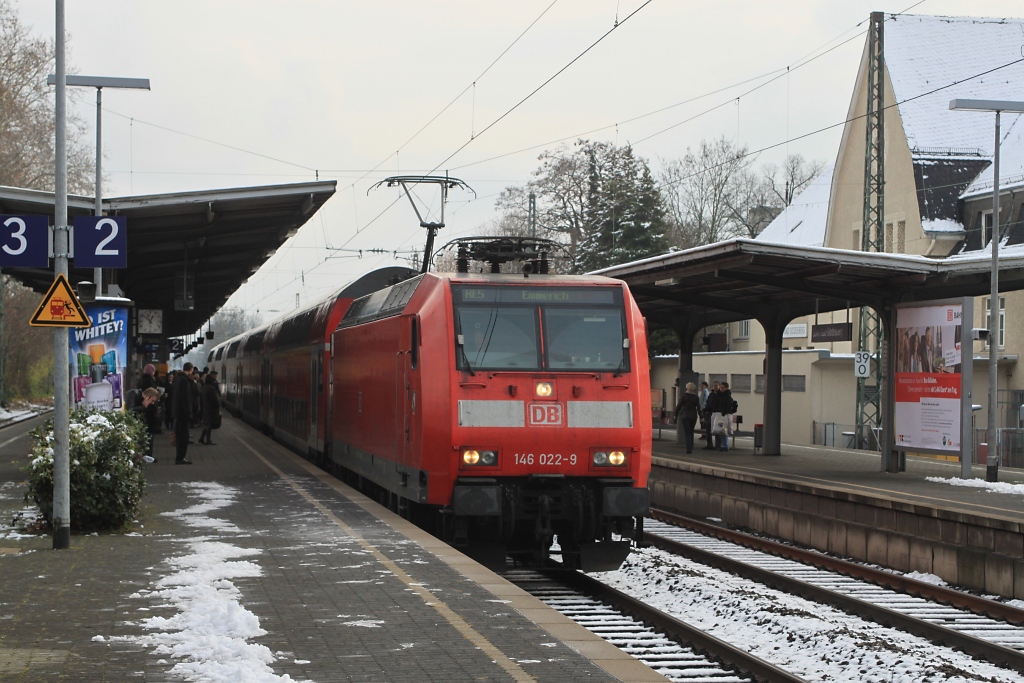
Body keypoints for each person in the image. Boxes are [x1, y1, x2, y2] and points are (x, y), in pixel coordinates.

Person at [172, 362, 195, 465]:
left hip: (178, 412)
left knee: (180, 435)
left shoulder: (178, 379)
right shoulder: (184, 381)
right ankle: (180, 458)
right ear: (191, 369)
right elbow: (185, 399)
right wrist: (189, 413)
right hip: (183, 414)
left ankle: (179, 457)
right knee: (183, 437)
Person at [132, 387, 162, 462]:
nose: (152, 403)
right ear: (148, 396)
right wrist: (143, 406)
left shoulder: (147, 404)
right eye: (152, 400)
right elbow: (132, 410)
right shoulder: (136, 398)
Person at [674, 382, 701, 454]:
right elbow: (699, 407)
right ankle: (691, 445)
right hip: (693, 416)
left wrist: (675, 415)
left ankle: (689, 448)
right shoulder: (696, 397)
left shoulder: (684, 396)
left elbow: (679, 406)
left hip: (685, 415)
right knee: (691, 431)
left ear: (687, 388)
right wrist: (701, 416)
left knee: (687, 432)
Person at [198, 371, 221, 445]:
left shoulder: (204, 387)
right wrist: (218, 405)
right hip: (211, 409)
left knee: (206, 424)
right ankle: (208, 440)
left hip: (205, 408)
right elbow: (215, 400)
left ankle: (201, 438)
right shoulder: (211, 388)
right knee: (209, 425)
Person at [703, 381, 720, 450]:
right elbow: (708, 402)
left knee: (717, 430)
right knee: (708, 429)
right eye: (714, 385)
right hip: (709, 413)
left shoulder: (720, 395)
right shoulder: (711, 394)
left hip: (717, 414)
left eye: (716, 385)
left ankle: (717, 445)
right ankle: (709, 444)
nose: (715, 387)